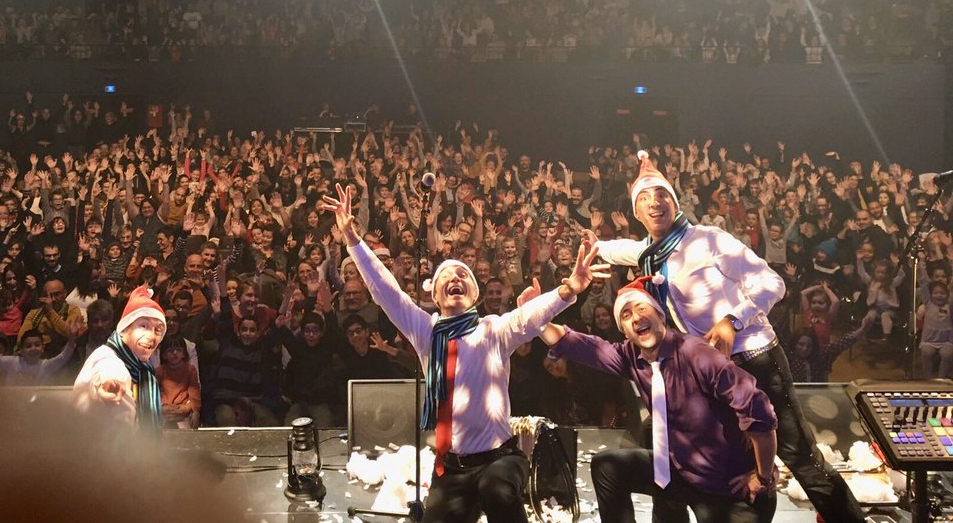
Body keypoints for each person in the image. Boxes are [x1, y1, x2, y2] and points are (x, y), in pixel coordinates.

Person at [585, 150, 863, 523]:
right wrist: (589, 250)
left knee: (800, 456)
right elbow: (617, 249)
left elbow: (772, 282)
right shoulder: (650, 254)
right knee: (728, 459)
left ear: (675, 201)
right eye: (645, 199)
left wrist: (733, 320)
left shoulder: (708, 239)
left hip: (754, 356)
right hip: (710, 371)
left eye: (662, 195)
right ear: (637, 212)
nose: (655, 203)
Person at [321, 182, 601, 523]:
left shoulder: (494, 329)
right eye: (446, 276)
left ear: (474, 295)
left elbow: (531, 316)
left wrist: (570, 288)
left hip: (500, 460)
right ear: (436, 298)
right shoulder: (427, 331)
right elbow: (385, 291)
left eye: (462, 275)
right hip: (450, 469)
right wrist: (353, 240)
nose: (455, 277)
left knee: (496, 490)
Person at [539, 276, 778, 523]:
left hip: (726, 487)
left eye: (641, 308)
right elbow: (572, 343)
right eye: (625, 315)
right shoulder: (631, 355)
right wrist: (536, 314)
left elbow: (759, 408)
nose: (635, 317)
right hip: (678, 471)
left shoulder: (696, 354)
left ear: (661, 316)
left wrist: (763, 476)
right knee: (607, 466)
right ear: (625, 332)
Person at [73, 287, 167, 430]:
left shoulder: (140, 368)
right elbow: (107, 371)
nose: (152, 336)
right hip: (100, 449)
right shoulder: (108, 357)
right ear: (123, 330)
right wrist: (107, 384)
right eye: (143, 326)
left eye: (158, 330)